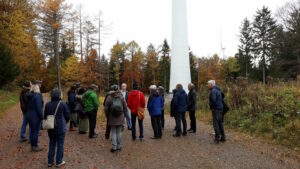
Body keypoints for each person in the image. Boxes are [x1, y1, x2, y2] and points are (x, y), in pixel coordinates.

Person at [44, 88, 70, 167]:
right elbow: (67, 115)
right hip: (60, 127)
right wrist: (65, 122)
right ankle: (59, 161)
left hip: (51, 127)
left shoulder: (47, 104)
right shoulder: (63, 104)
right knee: (60, 144)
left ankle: (50, 161)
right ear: (59, 95)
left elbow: (45, 116)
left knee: (52, 143)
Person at [104, 85, 127, 152]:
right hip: (120, 116)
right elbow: (125, 107)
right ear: (118, 89)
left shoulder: (109, 97)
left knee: (113, 132)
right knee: (119, 132)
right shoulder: (121, 97)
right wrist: (124, 116)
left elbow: (106, 108)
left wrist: (107, 116)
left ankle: (114, 147)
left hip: (112, 117)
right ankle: (119, 146)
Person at [26, 84, 44, 152]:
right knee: (35, 132)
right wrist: (42, 117)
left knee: (32, 131)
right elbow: (39, 108)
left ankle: (32, 145)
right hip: (35, 116)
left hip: (29, 115)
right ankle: (34, 146)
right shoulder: (37, 96)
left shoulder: (30, 96)